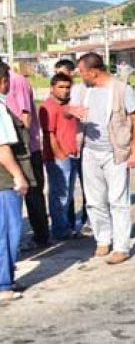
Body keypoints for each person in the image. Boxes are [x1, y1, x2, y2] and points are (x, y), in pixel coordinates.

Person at [69, 52, 135, 265]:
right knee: (93, 200)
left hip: (116, 153)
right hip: (89, 152)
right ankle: (103, 239)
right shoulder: (81, 90)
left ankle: (121, 247)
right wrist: (71, 111)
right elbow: (67, 111)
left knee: (118, 201)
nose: (79, 75)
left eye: (82, 71)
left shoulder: (121, 89)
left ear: (93, 72)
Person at [0, 61, 34, 301]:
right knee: (7, 233)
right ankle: (3, 284)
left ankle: (6, 279)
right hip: (3, 183)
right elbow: (2, 149)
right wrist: (19, 176)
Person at [7, 66, 48, 248]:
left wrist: (21, 145)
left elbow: (25, 115)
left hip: (26, 149)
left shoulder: (16, 81)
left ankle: (41, 237)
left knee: (33, 194)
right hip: (8, 149)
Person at [40, 74, 79, 240]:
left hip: (71, 154)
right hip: (58, 158)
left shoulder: (68, 105)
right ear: (52, 87)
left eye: (67, 87)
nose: (65, 90)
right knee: (59, 195)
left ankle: (64, 228)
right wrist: (60, 155)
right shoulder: (48, 106)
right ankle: (60, 231)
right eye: (61, 87)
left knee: (68, 195)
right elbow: (49, 135)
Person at [56, 58, 89, 233]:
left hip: (83, 146)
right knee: (65, 190)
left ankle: (87, 219)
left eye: (63, 73)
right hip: (65, 150)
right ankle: (68, 224)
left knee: (88, 187)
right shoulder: (53, 100)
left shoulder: (81, 91)